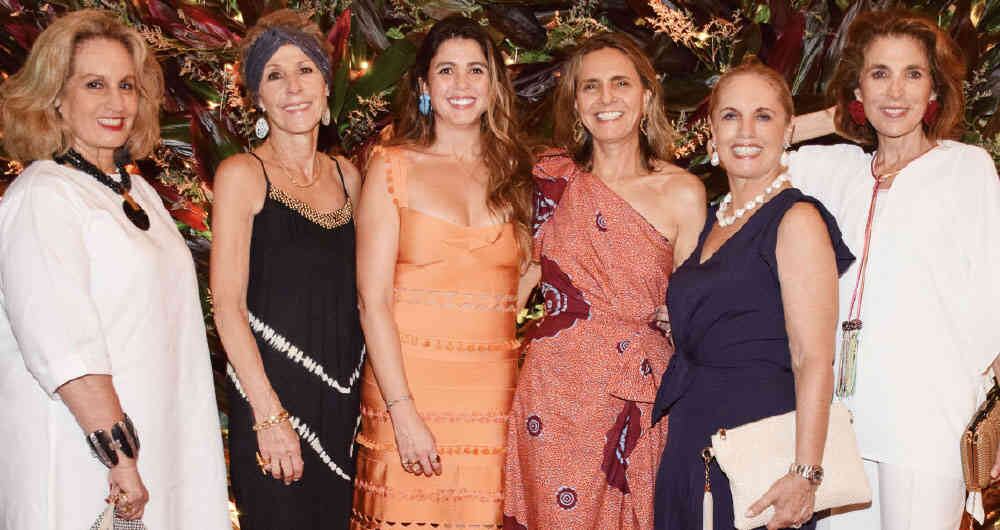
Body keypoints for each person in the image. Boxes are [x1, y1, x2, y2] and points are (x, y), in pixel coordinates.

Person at [0, 9, 229, 528]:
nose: (116, 102)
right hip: (85, 460)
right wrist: (120, 457)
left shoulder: (135, 189)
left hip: (157, 444)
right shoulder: (43, 195)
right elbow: (63, 346)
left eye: (126, 85)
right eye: (94, 84)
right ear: (56, 96)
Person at [789, 9, 1000, 530]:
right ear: (856, 87)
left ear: (935, 90)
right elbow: (750, 142)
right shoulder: (831, 169)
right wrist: (834, 117)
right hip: (842, 418)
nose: (896, 92)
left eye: (913, 74)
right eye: (879, 73)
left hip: (929, 416)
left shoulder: (966, 168)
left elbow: (994, 292)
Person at [503, 33, 706, 529]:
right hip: (553, 393)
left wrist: (682, 319)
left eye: (620, 83)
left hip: (637, 393)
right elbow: (514, 281)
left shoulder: (681, 192)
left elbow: (700, 305)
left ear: (646, 97)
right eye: (590, 86)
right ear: (575, 104)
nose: (606, 98)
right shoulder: (550, 182)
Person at [652, 60, 855, 530]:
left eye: (763, 116)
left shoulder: (797, 219)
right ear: (712, 133)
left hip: (760, 450)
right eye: (730, 116)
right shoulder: (712, 221)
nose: (746, 131)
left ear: (788, 131)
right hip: (691, 437)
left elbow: (813, 359)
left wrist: (804, 473)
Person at [352, 15, 534, 529]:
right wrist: (402, 413)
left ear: (494, 84)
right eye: (447, 70)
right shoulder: (391, 166)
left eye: (476, 70)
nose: (461, 84)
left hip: (491, 400)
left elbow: (520, 283)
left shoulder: (517, 176)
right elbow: (372, 301)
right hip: (405, 390)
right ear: (424, 85)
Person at [210, 9, 365, 530]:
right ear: (257, 96)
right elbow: (227, 307)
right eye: (274, 75)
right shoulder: (241, 175)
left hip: (345, 400)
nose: (293, 87)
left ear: (326, 85)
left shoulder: (349, 175)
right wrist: (269, 416)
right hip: (274, 399)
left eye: (305, 70)